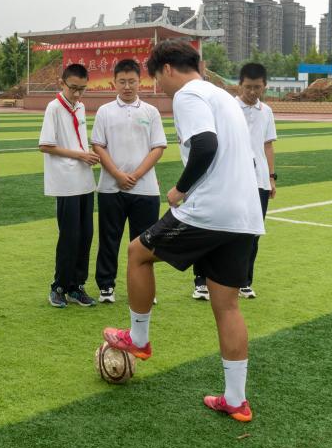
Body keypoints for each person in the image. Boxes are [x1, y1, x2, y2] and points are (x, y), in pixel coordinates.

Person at [102, 39, 264, 422]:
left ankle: (138, 339)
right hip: (244, 215)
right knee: (227, 305)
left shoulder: (188, 95)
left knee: (137, 253)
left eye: (157, 79)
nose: (159, 87)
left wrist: (180, 189)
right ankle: (235, 400)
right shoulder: (223, 96)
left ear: (168, 69)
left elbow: (206, 146)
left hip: (209, 210)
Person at [192, 63, 276, 300]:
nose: (252, 92)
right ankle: (201, 281)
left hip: (259, 181)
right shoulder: (228, 107)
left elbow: (268, 145)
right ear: (239, 85)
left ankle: (244, 281)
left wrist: (271, 177)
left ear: (264, 86)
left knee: (252, 232)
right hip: (231, 177)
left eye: (257, 87)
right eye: (248, 87)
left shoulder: (266, 111)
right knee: (214, 228)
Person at [91, 59, 167, 304]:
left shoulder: (151, 111)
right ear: (114, 82)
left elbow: (158, 147)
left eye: (131, 81)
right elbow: (98, 146)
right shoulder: (104, 111)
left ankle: (144, 289)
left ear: (140, 82)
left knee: (145, 243)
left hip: (145, 189)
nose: (127, 86)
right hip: (110, 188)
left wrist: (135, 175)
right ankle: (106, 286)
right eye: (122, 82)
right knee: (109, 239)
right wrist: (118, 175)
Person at [38, 64, 101, 308]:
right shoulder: (54, 108)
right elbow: (45, 145)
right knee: (69, 236)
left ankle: (77, 286)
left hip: (84, 180)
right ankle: (59, 286)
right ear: (61, 83)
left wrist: (87, 154)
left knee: (86, 235)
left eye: (82, 89)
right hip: (66, 182)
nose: (77, 93)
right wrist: (80, 155)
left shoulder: (80, 106)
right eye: (73, 88)